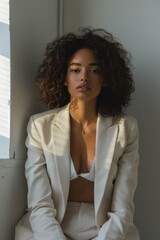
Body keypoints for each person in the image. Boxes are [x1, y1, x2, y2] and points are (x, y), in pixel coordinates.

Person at [15, 28, 139, 240]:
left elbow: (122, 208)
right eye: (75, 70)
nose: (84, 77)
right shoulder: (40, 126)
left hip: (105, 227)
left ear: (106, 78)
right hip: (50, 224)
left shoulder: (125, 128)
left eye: (94, 70)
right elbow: (40, 203)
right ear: (63, 78)